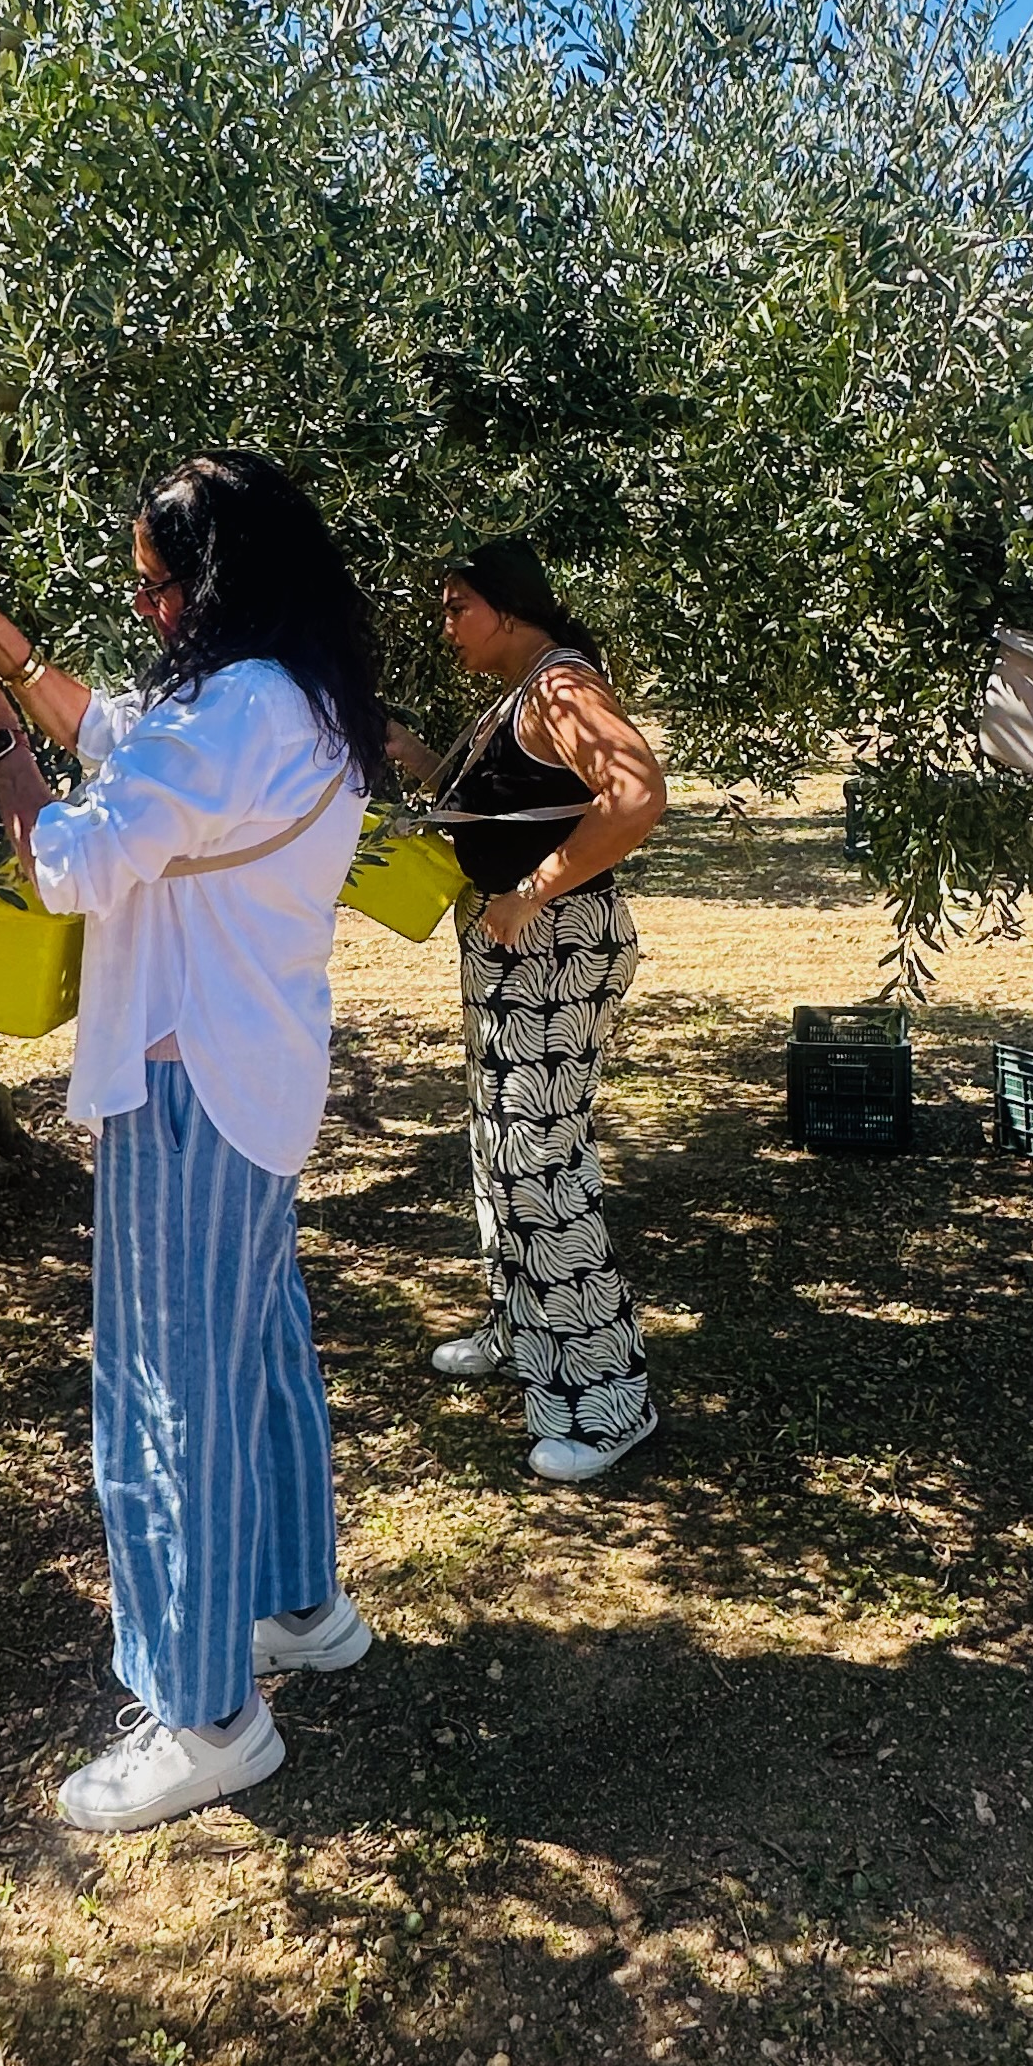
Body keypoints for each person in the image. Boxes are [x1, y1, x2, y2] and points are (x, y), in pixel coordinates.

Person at [0, 452, 388, 1832]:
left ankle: (206, 1716)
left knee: (164, 1390)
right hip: (256, 1077)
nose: (142, 608)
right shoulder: (293, 699)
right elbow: (118, 733)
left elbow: (67, 858)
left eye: (155, 584)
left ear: (214, 586)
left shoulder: (235, 711)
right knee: (257, 1352)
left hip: (185, 1091)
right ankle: (303, 1608)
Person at [387, 541, 668, 1486]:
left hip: (551, 944)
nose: (447, 623)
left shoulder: (558, 689)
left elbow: (635, 796)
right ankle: (522, 1335)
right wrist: (423, 760)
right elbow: (514, 808)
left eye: (457, 605)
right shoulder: (519, 699)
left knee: (542, 1160)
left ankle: (609, 1399)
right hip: (515, 951)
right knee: (501, 1151)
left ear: (507, 610)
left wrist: (534, 893)